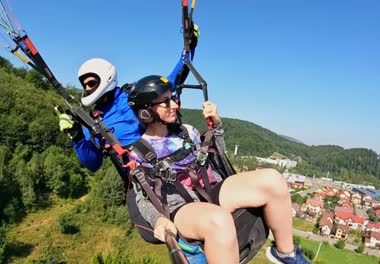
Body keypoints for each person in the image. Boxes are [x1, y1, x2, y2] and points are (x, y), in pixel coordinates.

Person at [126, 75, 311, 264]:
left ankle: (286, 254)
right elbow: (142, 198)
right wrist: (157, 220)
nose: (174, 105)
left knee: (273, 179)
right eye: (166, 102)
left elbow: (218, 156)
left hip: (210, 190)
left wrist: (217, 124)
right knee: (219, 220)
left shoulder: (187, 132)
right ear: (146, 112)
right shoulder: (139, 152)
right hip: (180, 208)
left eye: (172, 98)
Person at [58, 24, 200, 174]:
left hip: (175, 163)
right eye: (84, 85)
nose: (87, 89)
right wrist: (77, 137)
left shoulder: (135, 96)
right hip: (143, 182)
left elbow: (173, 79)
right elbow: (93, 164)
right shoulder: (93, 123)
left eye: (91, 83)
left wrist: (189, 47)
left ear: (106, 78)